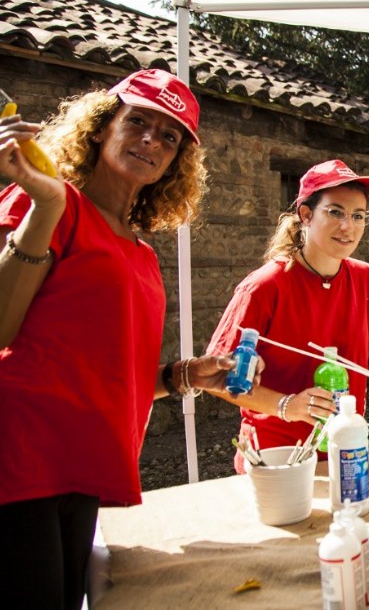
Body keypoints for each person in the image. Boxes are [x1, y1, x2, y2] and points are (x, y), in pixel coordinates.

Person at [0, 69, 260, 610]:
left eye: (170, 136)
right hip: (20, 457)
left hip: (80, 466)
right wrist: (46, 204)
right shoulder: (50, 203)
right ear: (100, 127)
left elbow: (110, 368)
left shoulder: (140, 251)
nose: (151, 140)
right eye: (137, 121)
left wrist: (185, 376)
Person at [206, 159, 369, 470]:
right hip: (276, 460)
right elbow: (216, 379)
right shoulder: (263, 287)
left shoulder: (366, 278)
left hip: (347, 454)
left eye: (358, 216)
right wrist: (286, 405)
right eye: (335, 212)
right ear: (305, 215)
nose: (348, 227)